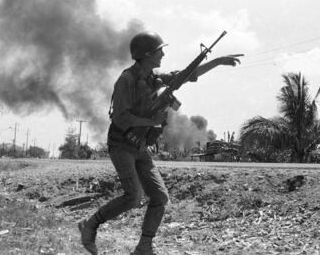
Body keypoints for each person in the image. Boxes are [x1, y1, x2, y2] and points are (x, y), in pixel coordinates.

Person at [78, 31, 242, 255]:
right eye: (159, 50)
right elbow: (120, 118)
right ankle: (90, 225)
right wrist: (151, 120)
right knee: (133, 196)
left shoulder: (152, 79)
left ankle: (144, 246)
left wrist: (216, 61)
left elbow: (186, 75)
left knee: (160, 197)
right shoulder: (126, 80)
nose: (163, 54)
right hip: (121, 144)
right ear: (146, 54)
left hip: (139, 146)